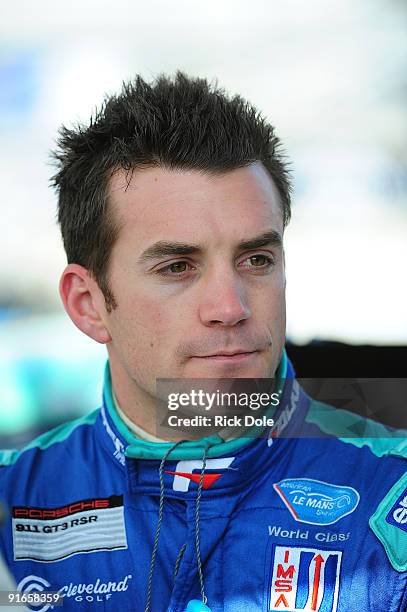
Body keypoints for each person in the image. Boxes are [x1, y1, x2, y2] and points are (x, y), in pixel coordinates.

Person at [0, 73, 405, 611]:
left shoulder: (391, 490)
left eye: (257, 260)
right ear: (88, 304)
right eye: (177, 267)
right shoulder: (13, 504)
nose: (231, 307)